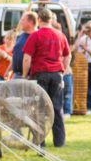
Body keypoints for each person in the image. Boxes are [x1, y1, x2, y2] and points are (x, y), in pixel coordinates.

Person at [23, 8, 70, 147]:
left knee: (38, 108)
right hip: (56, 75)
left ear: (39, 19)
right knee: (56, 108)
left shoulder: (35, 35)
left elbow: (27, 58)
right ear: (51, 19)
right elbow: (68, 55)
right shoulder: (60, 35)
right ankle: (59, 142)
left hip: (40, 74)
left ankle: (39, 142)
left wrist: (26, 75)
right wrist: (63, 70)